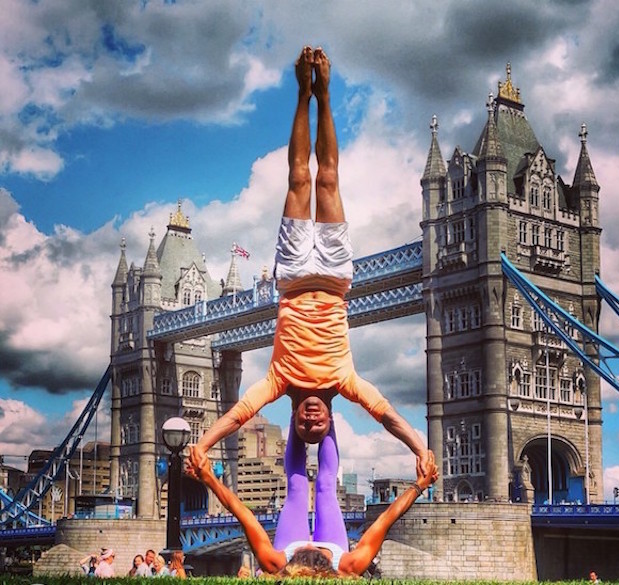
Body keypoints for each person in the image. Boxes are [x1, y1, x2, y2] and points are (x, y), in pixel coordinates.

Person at [192, 45, 429, 478]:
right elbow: (388, 415)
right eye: (318, 426)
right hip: (337, 278)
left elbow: (239, 415)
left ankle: (303, 93)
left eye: (305, 426)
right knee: (329, 178)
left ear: (296, 418)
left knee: (300, 177)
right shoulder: (346, 380)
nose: (311, 421)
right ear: (331, 419)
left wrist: (203, 444)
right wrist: (419, 447)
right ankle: (327, 95)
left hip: (295, 275)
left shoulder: (278, 381)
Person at [187, 423, 437, 577]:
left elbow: (242, 514)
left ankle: (298, 409)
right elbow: (386, 519)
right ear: (327, 562)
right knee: (326, 486)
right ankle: (326, 410)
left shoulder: (277, 562)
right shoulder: (348, 565)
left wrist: (209, 479)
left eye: (302, 552)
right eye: (314, 551)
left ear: (291, 563)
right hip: (335, 545)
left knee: (297, 486)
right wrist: (418, 486)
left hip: (289, 542)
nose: (308, 544)